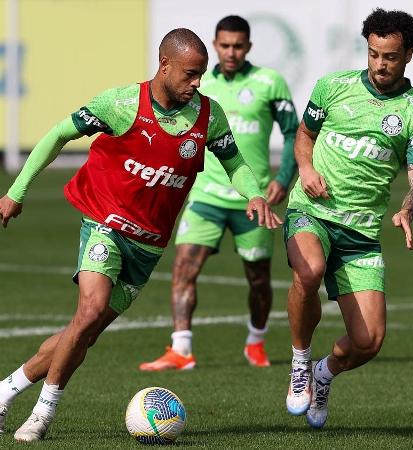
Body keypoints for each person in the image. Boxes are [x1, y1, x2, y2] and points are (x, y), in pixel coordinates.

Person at [0, 28, 281, 442]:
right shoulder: (121, 103)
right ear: (164, 64)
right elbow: (60, 133)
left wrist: (254, 193)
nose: (197, 82)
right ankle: (42, 414)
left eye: (201, 74)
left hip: (148, 246)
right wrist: (16, 192)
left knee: (83, 331)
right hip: (104, 224)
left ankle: (4, 393)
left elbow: (233, 160)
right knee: (91, 310)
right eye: (189, 74)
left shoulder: (208, 114)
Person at [284, 8, 413, 428]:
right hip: (312, 211)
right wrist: (307, 169)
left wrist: (408, 207)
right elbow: (304, 136)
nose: (379, 64)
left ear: (408, 55)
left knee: (369, 342)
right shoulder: (333, 87)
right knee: (309, 270)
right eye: (373, 54)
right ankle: (299, 362)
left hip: (361, 232)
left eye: (389, 56)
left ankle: (322, 373)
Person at [139, 15, 298, 372]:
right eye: (224, 45)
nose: (231, 52)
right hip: (206, 196)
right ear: (215, 45)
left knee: (258, 277)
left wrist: (284, 178)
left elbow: (294, 133)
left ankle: (256, 341)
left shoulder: (269, 83)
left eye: (238, 46)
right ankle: (181, 349)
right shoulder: (197, 80)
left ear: (249, 47)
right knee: (183, 268)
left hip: (253, 200)